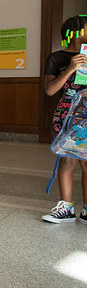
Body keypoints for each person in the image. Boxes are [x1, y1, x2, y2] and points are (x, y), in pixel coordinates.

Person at [43, 14, 87, 224]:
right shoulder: (57, 58)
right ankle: (66, 208)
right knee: (66, 159)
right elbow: (50, 90)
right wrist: (70, 69)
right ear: (76, 32)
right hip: (67, 114)